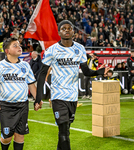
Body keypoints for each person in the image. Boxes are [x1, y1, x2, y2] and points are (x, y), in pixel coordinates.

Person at [34, 20, 109, 150]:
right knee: (63, 132)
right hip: (58, 96)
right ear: (59, 32)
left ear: (73, 32)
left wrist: (100, 72)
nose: (67, 30)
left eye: (70, 28)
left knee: (65, 132)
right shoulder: (52, 50)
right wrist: (38, 98)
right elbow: (42, 74)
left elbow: (86, 71)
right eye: (64, 28)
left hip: (73, 97)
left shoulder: (79, 48)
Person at [0, 38, 38, 150]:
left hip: (22, 105)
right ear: (7, 51)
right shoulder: (0, 65)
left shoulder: (25, 65)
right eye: (15, 45)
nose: (19, 47)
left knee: (20, 135)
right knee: (7, 137)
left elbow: (31, 84)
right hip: (6, 106)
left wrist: (37, 99)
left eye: (19, 45)